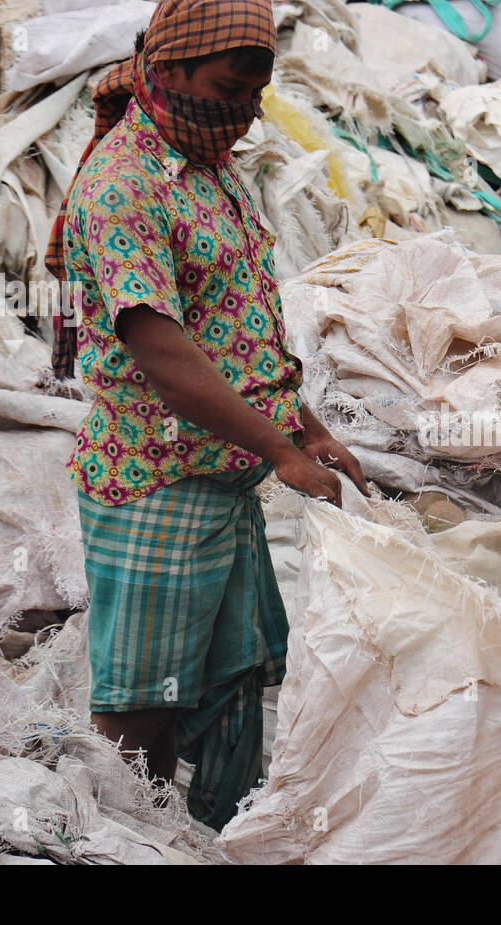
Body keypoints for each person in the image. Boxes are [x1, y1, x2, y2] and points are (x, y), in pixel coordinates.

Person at [43, 0, 368, 830]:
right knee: (141, 709)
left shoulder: (212, 161)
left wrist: (305, 427)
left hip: (219, 482)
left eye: (257, 95)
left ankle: (196, 837)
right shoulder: (123, 184)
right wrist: (282, 453)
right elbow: (166, 352)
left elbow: (235, 327)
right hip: (156, 483)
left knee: (224, 683)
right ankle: (127, 837)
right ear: (171, 69)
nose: (245, 111)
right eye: (230, 89)